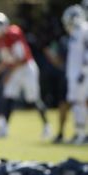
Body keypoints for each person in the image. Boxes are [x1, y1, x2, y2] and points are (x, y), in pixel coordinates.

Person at [0, 12, 51, 138]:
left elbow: (21, 58)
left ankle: (47, 126)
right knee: (8, 97)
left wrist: (7, 74)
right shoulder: (0, 40)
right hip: (15, 70)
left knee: (33, 99)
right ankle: (3, 129)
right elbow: (7, 61)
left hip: (26, 68)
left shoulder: (13, 33)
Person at [61, 4, 88, 144]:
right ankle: (79, 133)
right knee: (77, 103)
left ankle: (82, 133)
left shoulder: (84, 29)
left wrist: (84, 71)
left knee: (80, 103)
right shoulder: (75, 32)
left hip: (81, 74)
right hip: (73, 74)